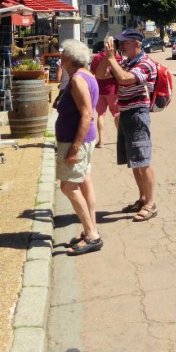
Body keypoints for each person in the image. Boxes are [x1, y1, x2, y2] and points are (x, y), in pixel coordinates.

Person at [99, 29, 158, 221]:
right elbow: (100, 75)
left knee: (143, 159)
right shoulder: (124, 62)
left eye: (125, 43)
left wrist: (112, 59)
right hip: (125, 113)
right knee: (134, 161)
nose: (122, 46)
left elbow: (124, 80)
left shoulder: (146, 63)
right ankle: (142, 198)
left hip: (138, 114)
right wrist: (108, 57)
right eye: (120, 43)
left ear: (137, 44)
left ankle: (150, 204)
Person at [54, 39, 102, 256]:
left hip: (76, 140)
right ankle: (90, 228)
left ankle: (92, 234)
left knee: (68, 187)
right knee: (83, 182)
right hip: (83, 139)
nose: (60, 58)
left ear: (70, 59)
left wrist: (74, 148)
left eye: (63, 55)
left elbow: (86, 115)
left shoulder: (77, 79)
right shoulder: (88, 75)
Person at [90, 40, 121, 148]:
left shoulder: (97, 57)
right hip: (113, 90)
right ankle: (120, 138)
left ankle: (101, 141)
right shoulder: (117, 58)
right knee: (117, 114)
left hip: (99, 90)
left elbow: (92, 72)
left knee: (101, 115)